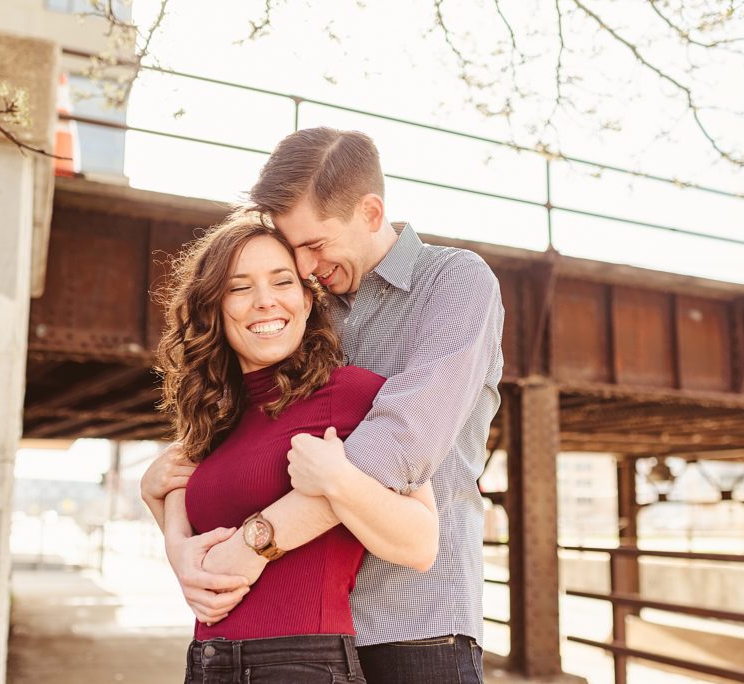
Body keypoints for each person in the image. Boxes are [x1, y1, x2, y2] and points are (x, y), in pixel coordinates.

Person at [143, 127, 504, 684]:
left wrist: (253, 542)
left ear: (370, 210)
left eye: (314, 245)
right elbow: (247, 436)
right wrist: (174, 530)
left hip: (417, 622)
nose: (305, 267)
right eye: (294, 251)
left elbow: (400, 442)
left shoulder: (453, 281)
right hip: (311, 633)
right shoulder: (305, 305)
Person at [154, 211, 440, 683]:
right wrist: (169, 534)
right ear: (215, 308)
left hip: (301, 662)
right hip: (206, 662)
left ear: (308, 300)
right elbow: (195, 544)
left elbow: (421, 542)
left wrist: (338, 480)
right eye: (239, 287)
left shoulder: (352, 394)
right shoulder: (215, 419)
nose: (265, 302)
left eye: (282, 281)